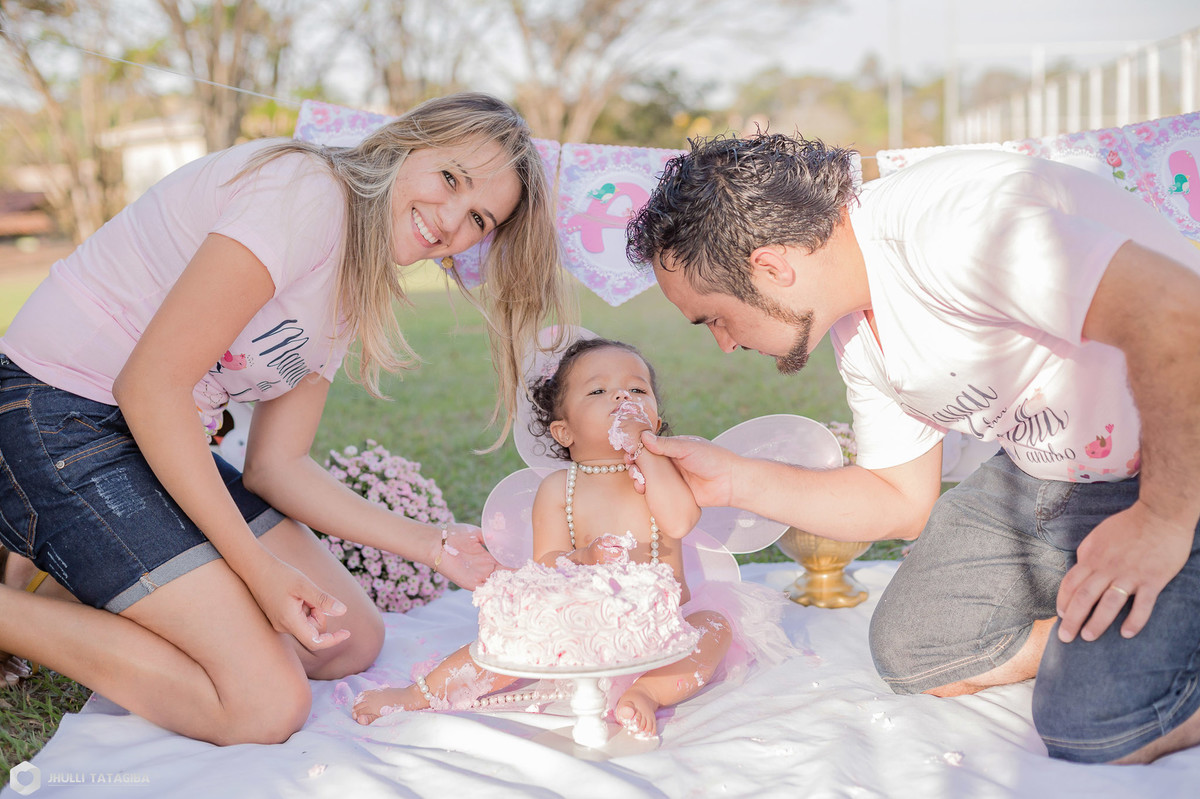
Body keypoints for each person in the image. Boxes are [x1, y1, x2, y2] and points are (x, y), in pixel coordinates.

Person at [0, 92, 570, 746]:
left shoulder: (355, 277)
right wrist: (256, 570)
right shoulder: (308, 194)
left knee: (346, 638)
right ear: (408, 142)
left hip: (144, 438)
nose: (450, 221)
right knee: (262, 705)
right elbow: (151, 385)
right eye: (449, 179)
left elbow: (278, 464)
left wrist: (434, 542)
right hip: (53, 415)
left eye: (478, 217)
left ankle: (71, 586)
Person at [625, 132, 1200, 765]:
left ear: (769, 267)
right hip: (1049, 473)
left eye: (713, 317)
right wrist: (734, 481)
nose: (724, 344)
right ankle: (1115, 623)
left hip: (1175, 463)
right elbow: (899, 498)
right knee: (916, 650)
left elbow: (1177, 315)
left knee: (1100, 728)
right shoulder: (854, 314)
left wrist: (1162, 522)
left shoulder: (952, 231)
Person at [353, 337, 795, 736]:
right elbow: (546, 563)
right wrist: (583, 556)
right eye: (599, 391)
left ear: (656, 416)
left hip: (662, 631)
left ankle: (648, 693)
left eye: (637, 390)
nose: (622, 396)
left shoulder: (661, 472)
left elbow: (678, 522)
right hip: (581, 627)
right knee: (502, 646)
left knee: (714, 627)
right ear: (564, 431)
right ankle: (419, 694)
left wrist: (646, 449)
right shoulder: (557, 489)